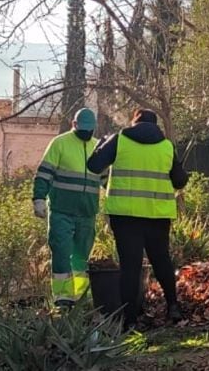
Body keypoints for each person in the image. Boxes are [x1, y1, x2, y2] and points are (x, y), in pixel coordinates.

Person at [87, 108, 189, 328]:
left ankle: (130, 321)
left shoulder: (119, 140)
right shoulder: (166, 147)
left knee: (130, 267)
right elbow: (180, 181)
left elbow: (93, 166)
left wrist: (100, 144)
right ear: (156, 126)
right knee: (161, 261)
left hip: (125, 216)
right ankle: (173, 307)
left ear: (134, 123)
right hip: (157, 216)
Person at [32, 107, 102, 308]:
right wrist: (38, 198)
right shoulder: (60, 143)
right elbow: (44, 173)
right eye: (84, 129)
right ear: (74, 125)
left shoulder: (98, 148)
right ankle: (63, 298)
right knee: (61, 252)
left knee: (81, 256)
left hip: (87, 213)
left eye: (90, 130)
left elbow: (107, 179)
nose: (87, 133)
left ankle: (79, 297)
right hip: (62, 210)